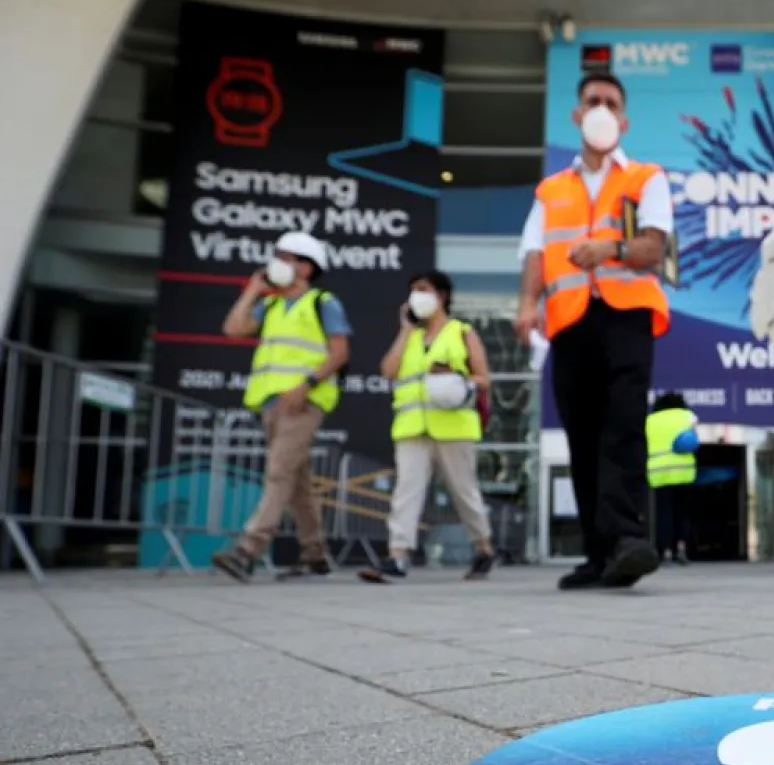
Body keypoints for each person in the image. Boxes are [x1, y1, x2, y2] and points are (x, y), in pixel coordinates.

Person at [515, 70, 673, 591]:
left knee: (623, 426)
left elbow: (656, 248)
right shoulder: (551, 189)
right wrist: (525, 305)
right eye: (592, 100)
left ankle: (628, 538)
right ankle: (598, 555)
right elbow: (535, 253)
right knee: (581, 436)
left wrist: (609, 249)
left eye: (610, 101)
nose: (601, 108)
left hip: (626, 314)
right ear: (577, 115)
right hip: (570, 321)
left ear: (622, 120)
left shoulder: (645, 177)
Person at [212, 231, 350, 582]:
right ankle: (315, 554)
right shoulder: (271, 304)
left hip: (304, 401)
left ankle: (248, 550)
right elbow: (232, 328)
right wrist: (252, 291)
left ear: (306, 267)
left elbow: (340, 352)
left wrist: (308, 384)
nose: (278, 263)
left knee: (277, 471)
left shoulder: (323, 302)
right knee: (296, 481)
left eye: (287, 257)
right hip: (271, 402)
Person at [360, 271, 496, 583]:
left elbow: (484, 378)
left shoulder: (462, 332)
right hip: (411, 427)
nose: (415, 296)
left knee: (465, 493)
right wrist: (405, 331)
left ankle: (483, 548)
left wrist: (453, 379)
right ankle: (398, 556)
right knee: (406, 492)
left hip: (453, 426)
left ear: (442, 295)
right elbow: (389, 371)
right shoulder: (410, 337)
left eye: (423, 289)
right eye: (412, 291)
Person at [647, 392, 699, 564]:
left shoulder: (650, 421)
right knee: (683, 513)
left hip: (659, 473)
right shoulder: (687, 416)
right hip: (684, 472)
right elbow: (693, 440)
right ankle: (681, 547)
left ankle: (664, 550)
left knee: (663, 513)